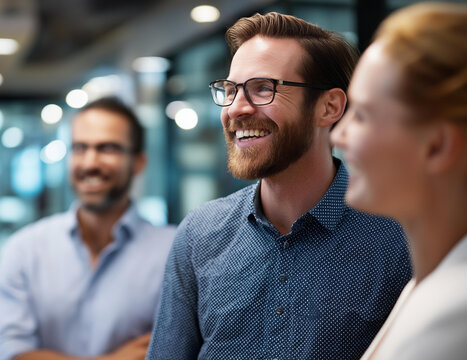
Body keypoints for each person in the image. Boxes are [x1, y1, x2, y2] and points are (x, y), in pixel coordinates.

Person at [147, 12, 412, 360]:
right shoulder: (200, 236)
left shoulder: (397, 237)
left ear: (329, 107)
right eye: (230, 90)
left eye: (263, 88)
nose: (236, 109)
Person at [0, 97, 176, 360]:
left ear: (139, 162)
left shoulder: (175, 252)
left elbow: (176, 349)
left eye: (107, 148)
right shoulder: (24, 250)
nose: (90, 163)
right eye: (80, 148)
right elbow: (10, 352)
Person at [330, 3, 467, 359]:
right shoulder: (432, 283)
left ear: (437, 146)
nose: (338, 135)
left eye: (360, 115)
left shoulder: (455, 315)